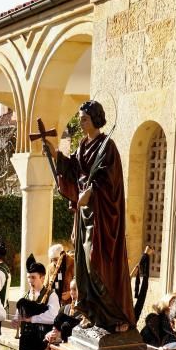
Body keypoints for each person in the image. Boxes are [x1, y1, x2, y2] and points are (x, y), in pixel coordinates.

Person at [50, 100, 134, 332]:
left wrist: (93, 191)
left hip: (102, 217)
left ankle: (116, 316)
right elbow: (73, 173)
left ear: (95, 119)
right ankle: (92, 312)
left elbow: (112, 181)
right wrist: (55, 156)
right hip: (83, 214)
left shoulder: (107, 146)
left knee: (95, 260)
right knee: (82, 265)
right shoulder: (82, 145)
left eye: (84, 118)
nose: (80, 121)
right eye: (80, 118)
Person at [14, 260, 59, 350]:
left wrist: (32, 319)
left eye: (33, 277)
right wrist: (15, 319)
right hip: (25, 342)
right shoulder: (25, 296)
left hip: (41, 340)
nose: (30, 281)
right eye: (28, 277)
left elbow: (53, 317)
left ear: (42, 278)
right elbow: (18, 314)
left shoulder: (51, 295)